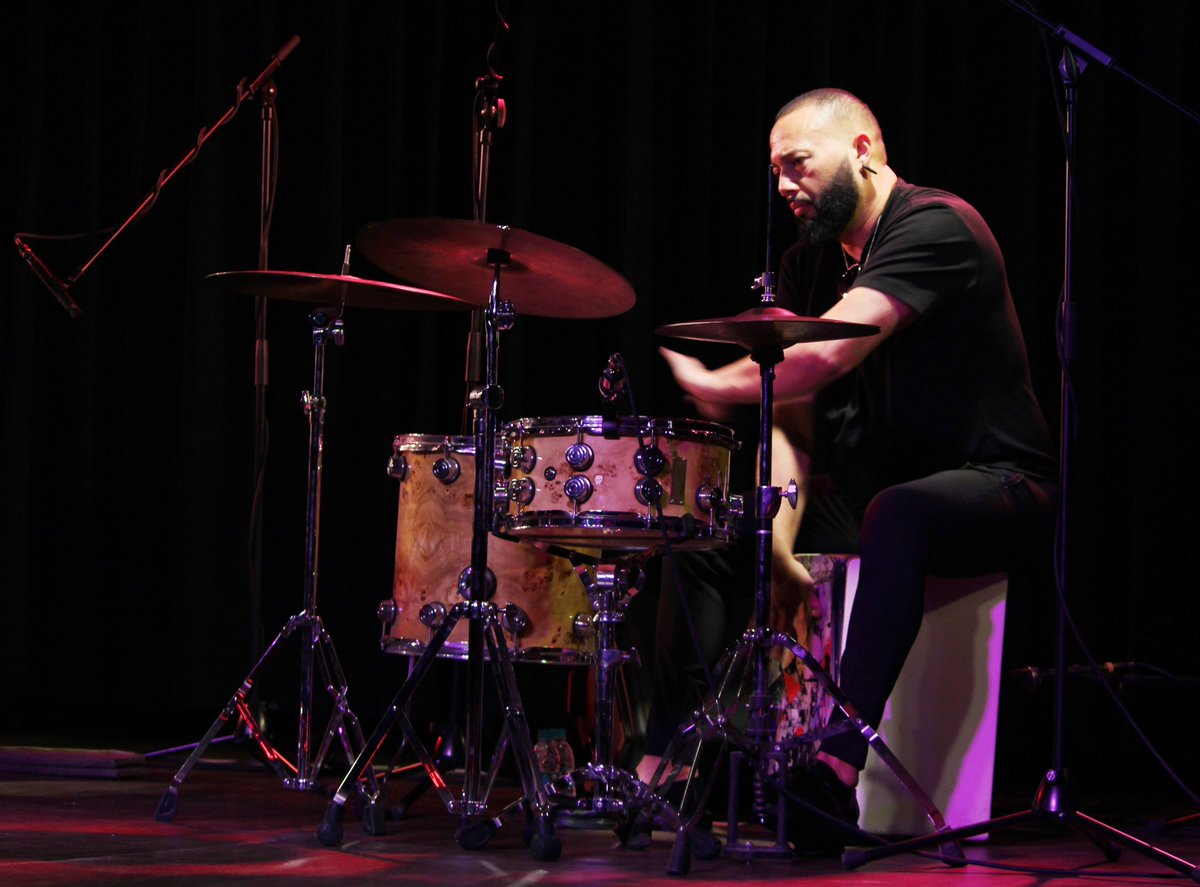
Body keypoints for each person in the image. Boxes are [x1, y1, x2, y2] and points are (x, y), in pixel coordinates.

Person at [638, 88, 1059, 847]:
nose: (784, 186)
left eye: (798, 164)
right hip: (873, 491)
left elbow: (826, 352)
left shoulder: (937, 225)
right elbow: (794, 417)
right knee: (706, 529)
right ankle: (669, 768)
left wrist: (712, 383)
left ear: (864, 149)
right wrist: (775, 536)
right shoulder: (808, 263)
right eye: (774, 172)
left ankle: (834, 772)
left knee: (899, 511)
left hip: (999, 483)